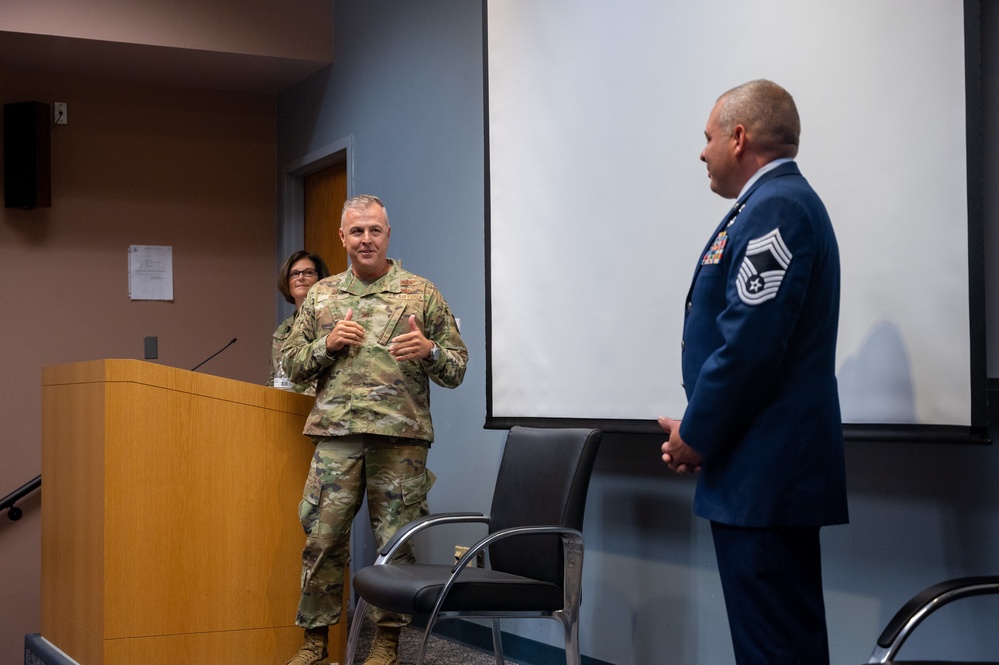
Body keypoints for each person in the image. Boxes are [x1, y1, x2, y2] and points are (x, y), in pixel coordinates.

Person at [659, 80, 848, 664]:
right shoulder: (768, 207)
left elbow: (749, 346)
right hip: (754, 472)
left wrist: (697, 434)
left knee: (776, 650)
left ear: (739, 138)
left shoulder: (779, 208)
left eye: (708, 137)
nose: (702, 152)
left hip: (765, 477)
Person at [281, 194, 468, 665]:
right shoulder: (321, 295)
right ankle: (315, 643)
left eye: (375, 230)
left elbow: (457, 369)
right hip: (336, 438)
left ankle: (386, 644)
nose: (367, 239)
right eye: (357, 231)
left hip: (400, 442)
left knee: (395, 547)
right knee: (322, 541)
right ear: (343, 237)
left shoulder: (421, 293)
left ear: (388, 235)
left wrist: (430, 352)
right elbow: (292, 366)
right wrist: (326, 344)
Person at [267, 250, 331, 394]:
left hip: (319, 406)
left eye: (308, 272)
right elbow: (275, 377)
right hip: (285, 407)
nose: (301, 277)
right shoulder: (283, 329)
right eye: (294, 274)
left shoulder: (330, 320)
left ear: (320, 278)